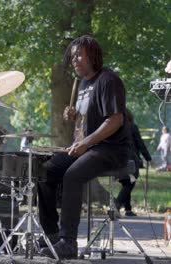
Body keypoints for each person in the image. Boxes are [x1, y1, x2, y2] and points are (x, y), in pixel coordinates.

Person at [37, 35, 129, 259]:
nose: (74, 60)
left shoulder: (108, 80)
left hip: (111, 149)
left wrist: (86, 142)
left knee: (73, 175)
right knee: (45, 171)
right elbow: (89, 119)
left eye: (79, 55)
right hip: (88, 148)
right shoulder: (83, 84)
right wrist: (74, 116)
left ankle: (69, 243)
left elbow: (115, 119)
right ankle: (52, 235)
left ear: (93, 55)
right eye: (72, 56)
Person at [116, 109, 152, 217]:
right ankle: (117, 204)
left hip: (118, 160)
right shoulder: (132, 127)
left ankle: (128, 209)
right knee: (130, 183)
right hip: (130, 160)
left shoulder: (116, 128)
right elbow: (140, 144)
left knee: (126, 183)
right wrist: (148, 158)